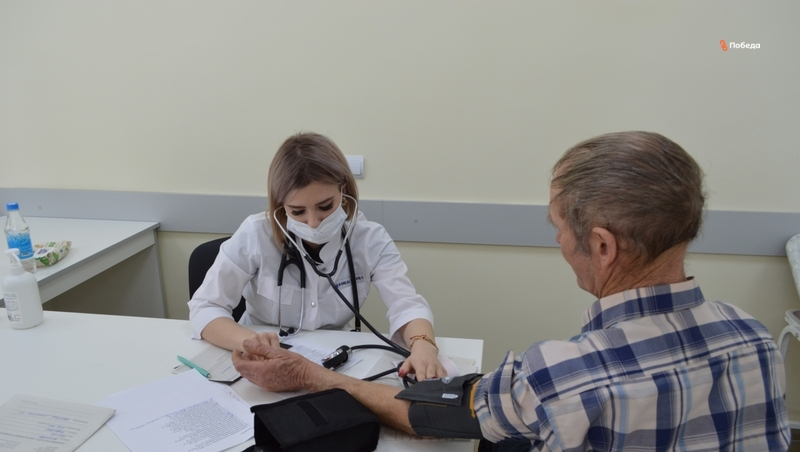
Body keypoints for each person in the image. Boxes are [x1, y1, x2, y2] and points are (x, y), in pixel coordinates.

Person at [231, 131, 790, 451]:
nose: (556, 239)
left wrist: (313, 377)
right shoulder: (755, 339)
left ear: (601, 246)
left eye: (557, 226)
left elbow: (432, 416)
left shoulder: (562, 376)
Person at [189, 132, 446, 380]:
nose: (313, 223)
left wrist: (423, 345)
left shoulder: (370, 239)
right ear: (280, 204)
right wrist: (249, 341)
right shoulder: (255, 235)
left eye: (325, 206)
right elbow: (206, 306)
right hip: (263, 362)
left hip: (335, 364)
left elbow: (406, 304)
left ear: (343, 190)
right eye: (297, 211)